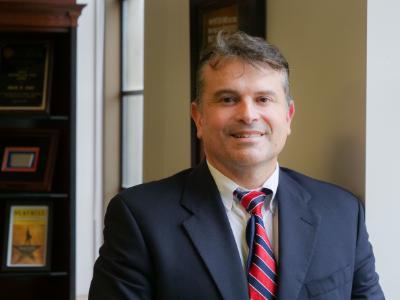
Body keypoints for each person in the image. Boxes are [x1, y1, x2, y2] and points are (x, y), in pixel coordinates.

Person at [89, 31, 384, 300]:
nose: (248, 114)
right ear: (199, 117)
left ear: (288, 116)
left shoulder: (343, 213)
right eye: (228, 99)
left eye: (264, 99)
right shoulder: (140, 217)